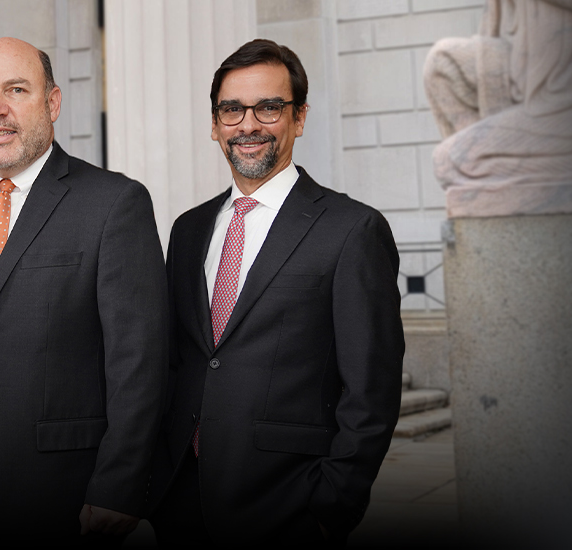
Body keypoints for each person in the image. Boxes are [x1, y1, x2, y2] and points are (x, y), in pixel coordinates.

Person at [0, 37, 169, 546]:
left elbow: (139, 363)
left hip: (63, 496)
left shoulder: (113, 204)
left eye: (15, 89)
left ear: (53, 103)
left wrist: (120, 484)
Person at [147, 39, 405, 547]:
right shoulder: (189, 228)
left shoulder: (352, 230)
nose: (248, 125)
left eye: (268, 107)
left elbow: (372, 388)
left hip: (289, 504)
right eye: (231, 110)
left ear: (299, 117)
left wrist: (334, 503)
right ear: (215, 124)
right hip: (179, 499)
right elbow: (180, 359)